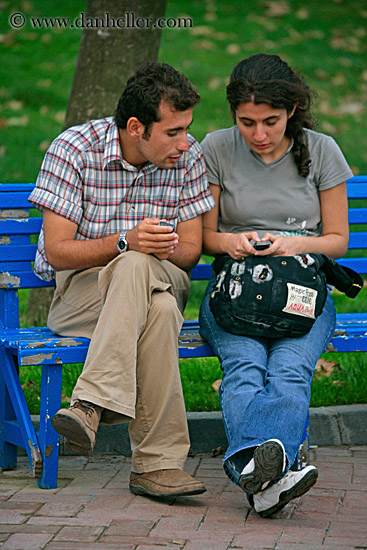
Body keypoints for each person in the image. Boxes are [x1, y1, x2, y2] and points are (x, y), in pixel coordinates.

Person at [28, 61, 215, 498]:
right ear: (136, 127)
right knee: (161, 308)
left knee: (140, 271)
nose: (185, 143)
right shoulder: (74, 149)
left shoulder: (189, 158)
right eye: (173, 132)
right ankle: (158, 466)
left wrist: (153, 247)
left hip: (165, 274)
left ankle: (90, 403)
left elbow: (190, 252)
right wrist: (125, 242)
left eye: (187, 129)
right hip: (83, 294)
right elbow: (56, 252)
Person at [199, 53, 353, 517]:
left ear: (291, 111)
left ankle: (254, 471)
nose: (259, 135)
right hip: (235, 291)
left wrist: (288, 243)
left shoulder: (322, 149)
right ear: (233, 116)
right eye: (246, 122)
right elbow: (204, 238)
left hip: (303, 292)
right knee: (244, 366)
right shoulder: (215, 148)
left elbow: (338, 240)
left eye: (270, 121)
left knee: (288, 369)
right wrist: (234, 240)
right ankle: (272, 478)